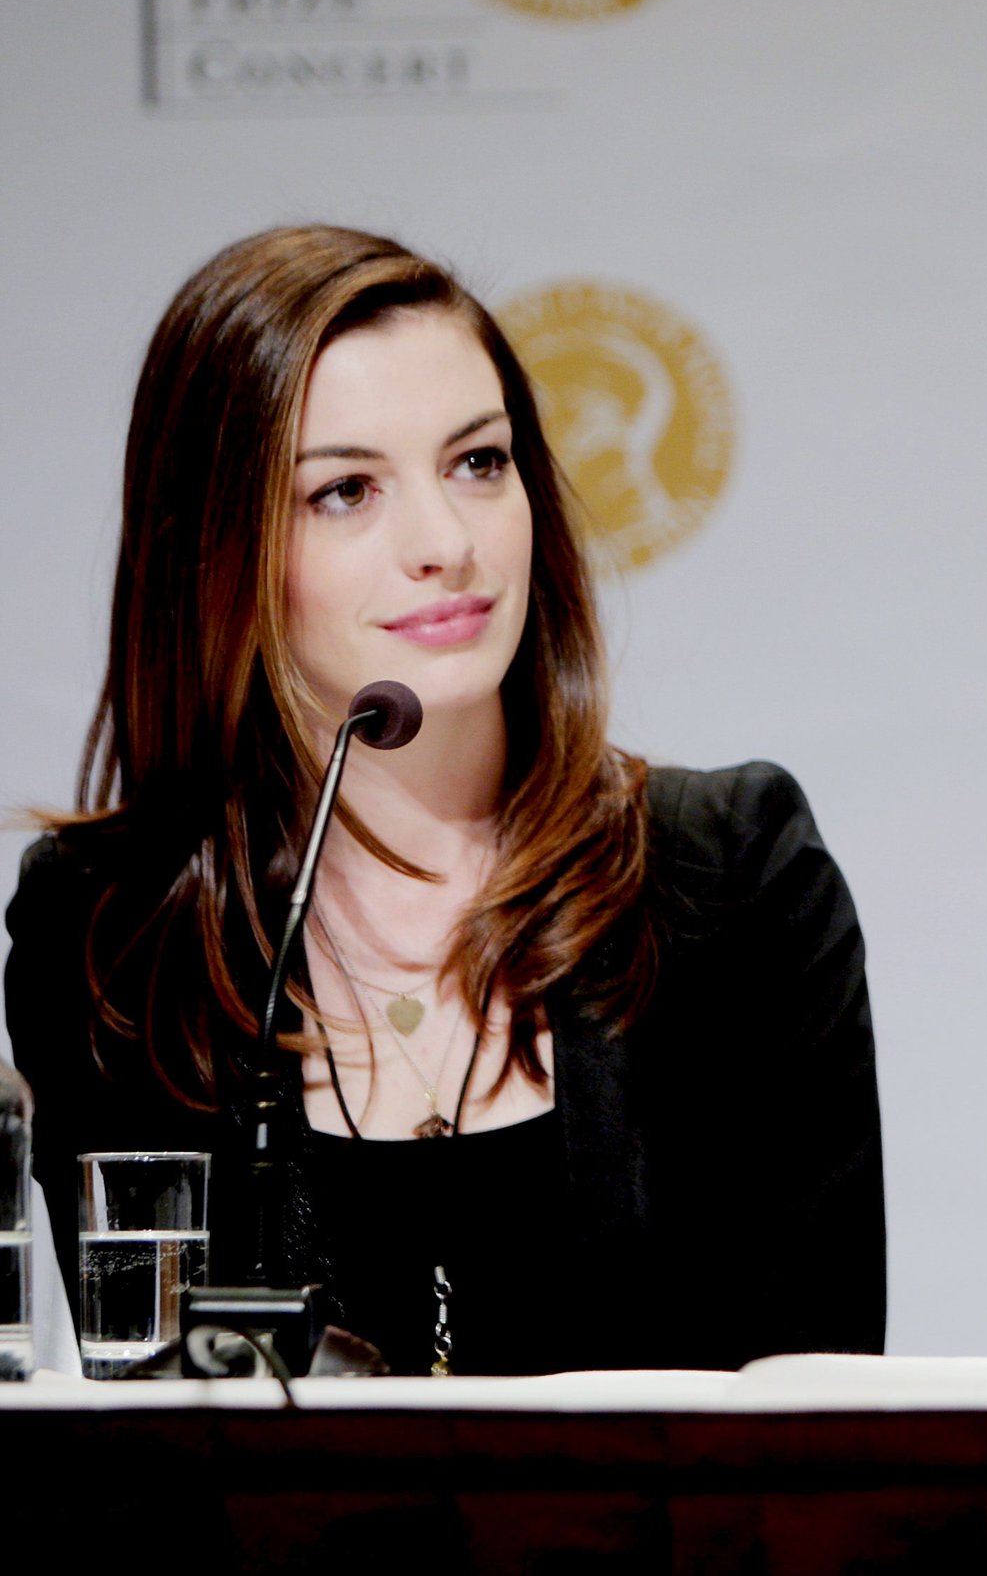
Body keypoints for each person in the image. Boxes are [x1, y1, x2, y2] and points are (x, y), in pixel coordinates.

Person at [3, 227, 884, 1375]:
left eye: (479, 462)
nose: (447, 542)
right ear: (216, 549)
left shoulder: (729, 875)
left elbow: (813, 1425)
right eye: (346, 491)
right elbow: (161, 1428)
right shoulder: (115, 932)